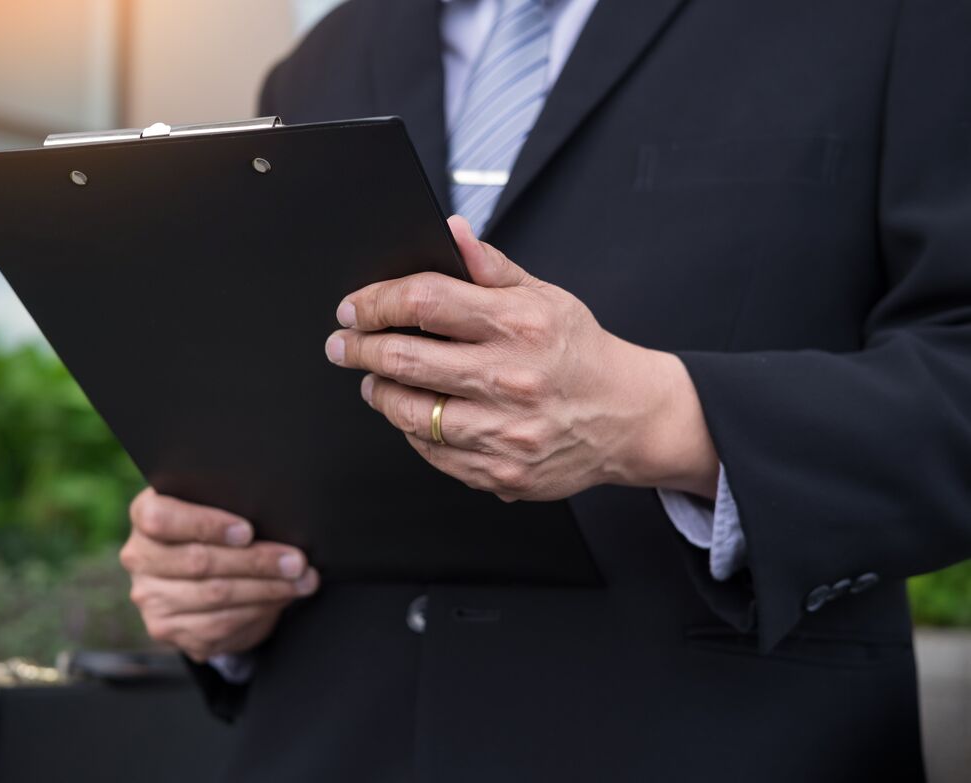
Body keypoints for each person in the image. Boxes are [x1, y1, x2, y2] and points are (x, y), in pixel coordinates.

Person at [118, 0, 971, 779]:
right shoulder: (324, 56)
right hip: (329, 741)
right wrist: (215, 574)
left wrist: (667, 419)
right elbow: (291, 402)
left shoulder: (898, 20)